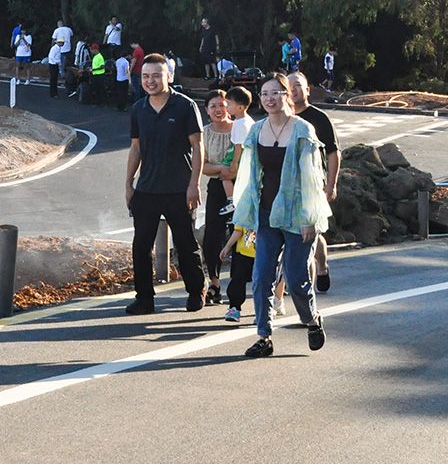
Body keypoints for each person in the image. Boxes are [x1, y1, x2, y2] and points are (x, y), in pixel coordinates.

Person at [229, 72, 331, 358]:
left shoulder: (303, 130)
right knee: (261, 276)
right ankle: (264, 336)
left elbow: (313, 178)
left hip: (298, 215)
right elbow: (250, 176)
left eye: (275, 92)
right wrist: (248, 215)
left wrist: (310, 218)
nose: (269, 98)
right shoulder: (256, 130)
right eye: (264, 93)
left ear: (287, 95)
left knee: (296, 278)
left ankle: (312, 319)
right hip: (266, 213)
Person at [124, 54, 207, 314]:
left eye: (156, 76)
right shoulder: (139, 109)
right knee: (141, 247)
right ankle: (144, 298)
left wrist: (194, 185)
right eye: (145, 76)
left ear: (168, 76)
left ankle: (196, 291)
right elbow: (135, 148)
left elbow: (198, 146)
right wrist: (128, 184)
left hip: (179, 190)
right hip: (147, 190)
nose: (150, 81)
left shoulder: (185, 106)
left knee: (185, 244)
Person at [288, 71, 339, 293]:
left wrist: (331, 184)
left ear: (307, 90)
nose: (293, 90)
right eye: (289, 86)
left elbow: (333, 152)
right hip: (288, 186)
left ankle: (322, 266)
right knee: (293, 234)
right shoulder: (282, 118)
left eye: (298, 86)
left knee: (313, 232)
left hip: (314, 185)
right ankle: (296, 284)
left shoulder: (319, 118)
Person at [200, 90, 237, 305]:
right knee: (212, 237)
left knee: (240, 234)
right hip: (216, 187)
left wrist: (232, 172)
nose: (218, 109)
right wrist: (222, 169)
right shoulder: (204, 133)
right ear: (206, 110)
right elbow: (201, 166)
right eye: (213, 106)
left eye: (222, 105)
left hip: (240, 187)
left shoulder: (240, 129)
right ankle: (214, 283)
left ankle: (237, 284)